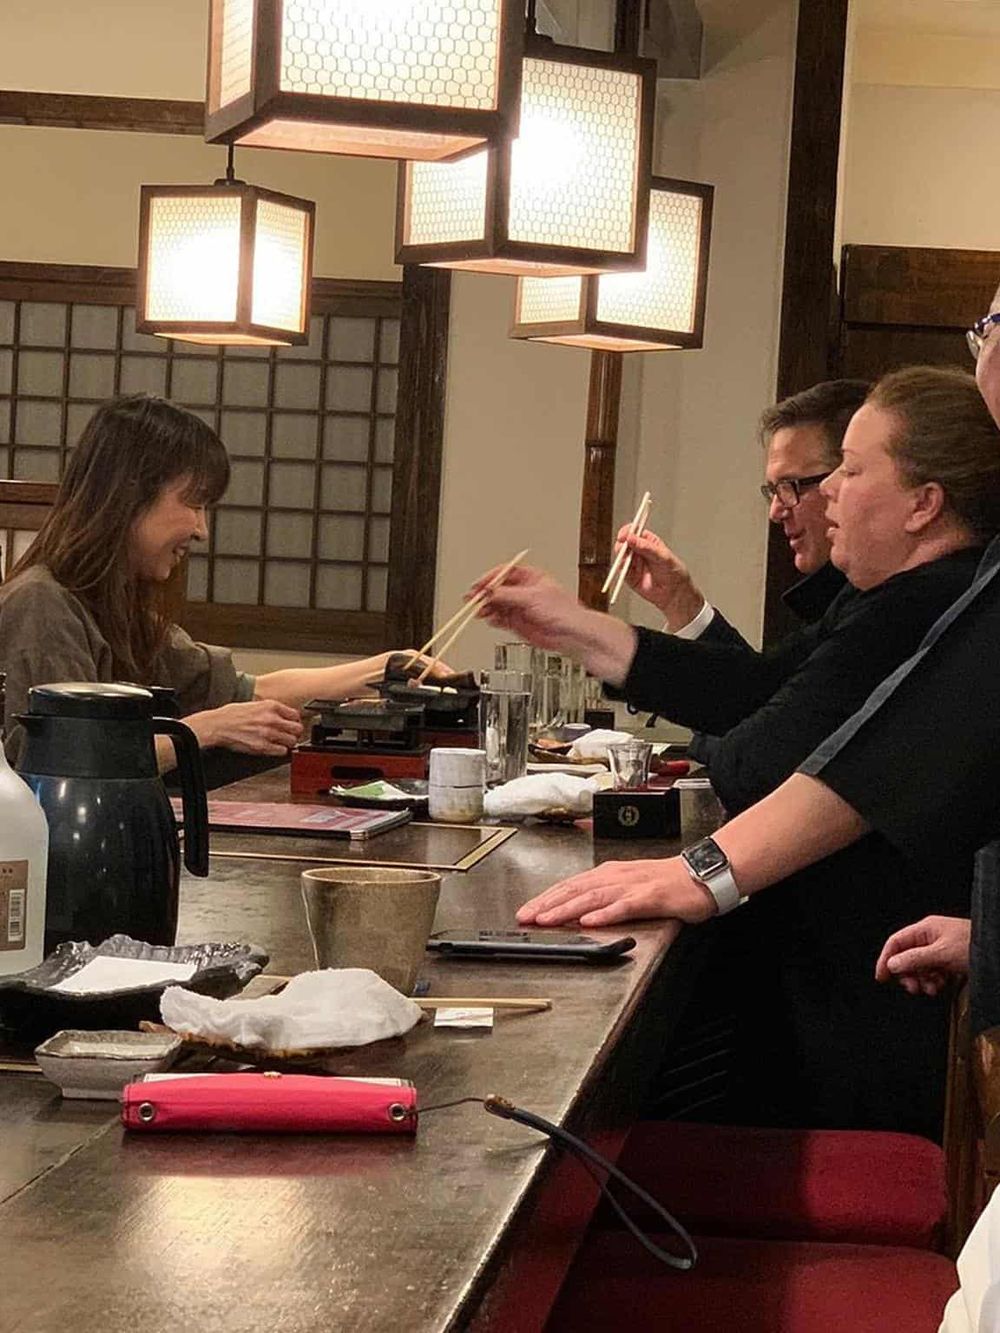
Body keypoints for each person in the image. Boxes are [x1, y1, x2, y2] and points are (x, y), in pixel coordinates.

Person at [478, 366, 1000, 1136]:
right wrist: (577, 626)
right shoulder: (895, 596)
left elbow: (804, 763)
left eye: (847, 473)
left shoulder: (932, 599)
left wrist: (702, 874)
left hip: (854, 1028)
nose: (820, 499)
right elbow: (766, 697)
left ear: (925, 503)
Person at [0, 395, 445, 771]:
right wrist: (205, 730)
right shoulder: (42, 603)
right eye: (194, 504)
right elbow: (59, 762)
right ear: (129, 495)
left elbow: (245, 690)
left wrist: (384, 668)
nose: (201, 529)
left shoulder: (114, 606)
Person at [620, 378, 867, 640]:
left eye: (790, 486)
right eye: (773, 490)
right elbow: (765, 680)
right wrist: (678, 600)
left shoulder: (881, 605)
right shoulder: (836, 598)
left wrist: (603, 637)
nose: (775, 512)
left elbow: (767, 681)